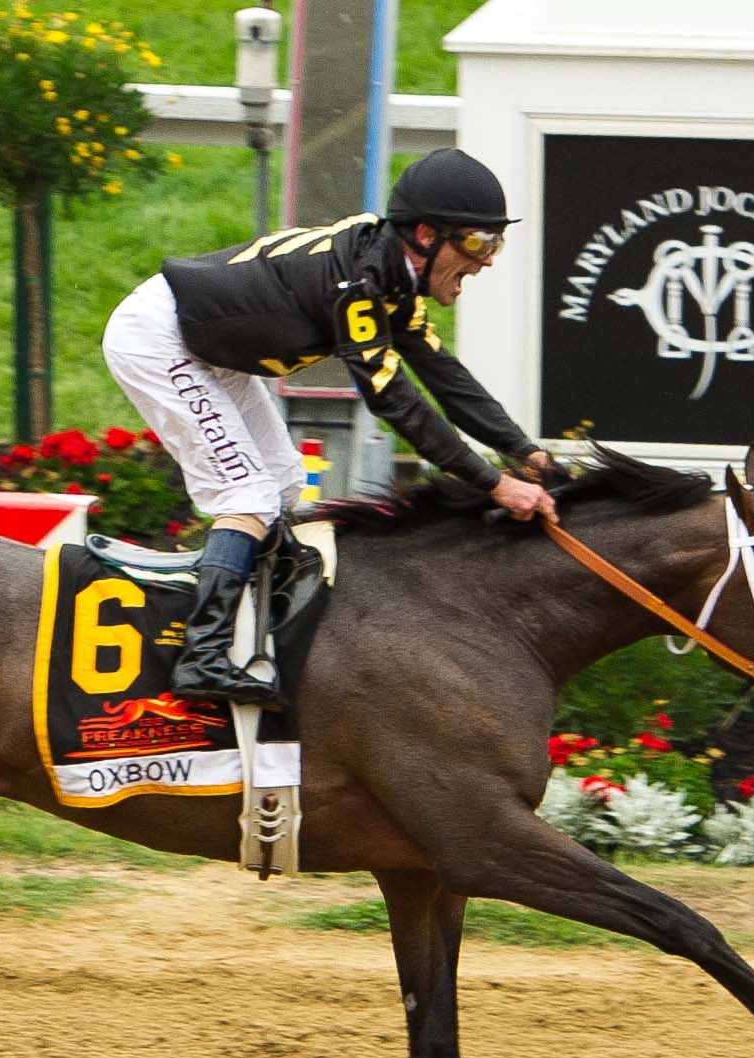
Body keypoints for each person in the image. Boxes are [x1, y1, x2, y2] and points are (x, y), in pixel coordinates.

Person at [101, 146, 557, 705]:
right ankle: (202, 656)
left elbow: (446, 377)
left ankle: (258, 631)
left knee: (284, 482)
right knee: (248, 495)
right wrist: (494, 483)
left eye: (495, 243)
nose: (487, 260)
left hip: (208, 346)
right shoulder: (360, 284)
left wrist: (524, 451)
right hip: (161, 340)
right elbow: (397, 403)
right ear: (424, 234)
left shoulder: (392, 276)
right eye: (478, 242)